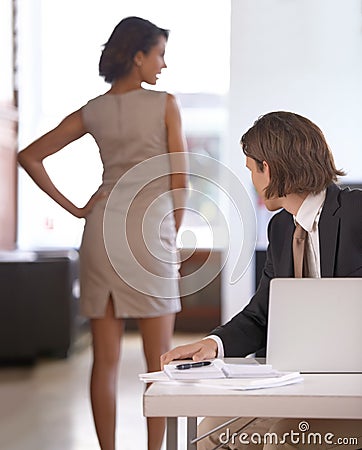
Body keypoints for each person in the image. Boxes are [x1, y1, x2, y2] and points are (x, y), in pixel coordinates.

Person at [18, 16, 188, 450]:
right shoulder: (165, 103)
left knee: (103, 363)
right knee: (160, 363)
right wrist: (173, 231)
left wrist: (76, 209)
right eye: (159, 55)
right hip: (149, 235)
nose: (163, 66)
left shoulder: (93, 109)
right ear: (138, 57)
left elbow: (30, 156)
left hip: (100, 234)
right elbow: (180, 181)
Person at [161, 111, 362, 449]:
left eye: (251, 169)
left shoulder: (357, 211)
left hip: (352, 389)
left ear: (267, 168)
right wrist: (213, 344)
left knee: (283, 441)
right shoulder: (282, 229)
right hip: (300, 383)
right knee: (209, 434)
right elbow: (262, 314)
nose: (252, 180)